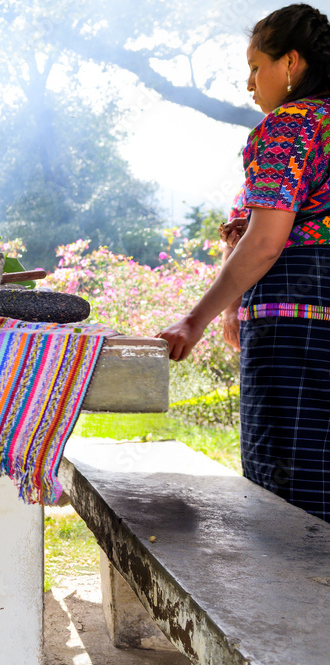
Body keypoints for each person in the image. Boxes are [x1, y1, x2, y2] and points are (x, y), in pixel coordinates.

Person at [158, 3, 330, 521]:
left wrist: (195, 319)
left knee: (289, 489)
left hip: (296, 321)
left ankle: (291, 603)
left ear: (292, 63)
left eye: (257, 67)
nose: (250, 84)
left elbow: (264, 243)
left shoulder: (291, 124)